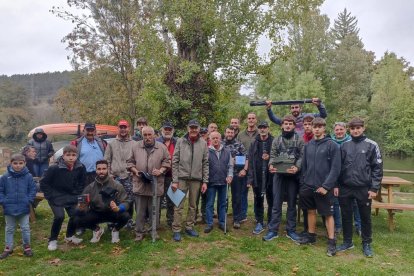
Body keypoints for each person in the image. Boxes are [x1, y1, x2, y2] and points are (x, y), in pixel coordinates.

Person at [337, 117, 383, 257]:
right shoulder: (344, 145)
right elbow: (338, 167)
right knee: (345, 215)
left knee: (365, 216)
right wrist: (336, 185)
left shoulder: (372, 145)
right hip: (345, 187)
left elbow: (378, 168)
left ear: (363, 128)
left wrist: (374, 188)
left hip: (364, 188)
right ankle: (347, 241)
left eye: (358, 128)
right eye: (353, 128)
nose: (355, 131)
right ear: (349, 130)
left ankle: (366, 243)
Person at [297, 118, 341, 257]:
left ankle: (331, 241)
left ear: (324, 128)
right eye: (313, 126)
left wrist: (326, 186)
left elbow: (335, 169)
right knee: (310, 211)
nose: (316, 129)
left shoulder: (332, 145)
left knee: (328, 214)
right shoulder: (308, 145)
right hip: (308, 186)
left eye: (319, 126)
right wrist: (303, 183)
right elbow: (304, 166)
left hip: (324, 188)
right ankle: (311, 235)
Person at [263, 115, 303, 242]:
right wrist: (270, 166)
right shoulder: (276, 140)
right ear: (282, 125)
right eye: (285, 123)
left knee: (292, 203)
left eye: (290, 124)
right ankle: (273, 230)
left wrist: (297, 167)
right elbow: (273, 155)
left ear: (294, 126)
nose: (288, 126)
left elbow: (302, 156)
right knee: (276, 203)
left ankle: (291, 230)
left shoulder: (299, 140)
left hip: (292, 176)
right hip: (278, 175)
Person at [127, 126, 171, 241]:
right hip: (140, 183)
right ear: (142, 136)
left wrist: (160, 171)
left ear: (154, 135)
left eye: (149, 135)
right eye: (145, 135)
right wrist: (136, 171)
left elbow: (167, 161)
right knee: (140, 211)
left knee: (154, 210)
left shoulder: (161, 148)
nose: (147, 137)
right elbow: (129, 162)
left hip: (155, 184)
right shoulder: (135, 147)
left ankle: (153, 231)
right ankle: (139, 232)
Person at [74, 160, 132, 244]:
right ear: (96, 170)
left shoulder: (116, 185)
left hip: (113, 212)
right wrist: (82, 207)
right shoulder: (90, 187)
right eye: (99, 169)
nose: (101, 171)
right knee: (77, 217)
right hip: (97, 213)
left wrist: (118, 208)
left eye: (104, 169)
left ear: (108, 169)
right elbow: (83, 204)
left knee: (126, 215)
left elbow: (126, 201)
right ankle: (97, 230)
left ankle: (115, 230)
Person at [40, 145, 86, 251]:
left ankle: (69, 236)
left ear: (77, 156)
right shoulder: (54, 167)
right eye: (68, 155)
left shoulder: (81, 167)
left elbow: (82, 182)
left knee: (76, 214)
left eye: (73, 155)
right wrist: (50, 196)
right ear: (63, 155)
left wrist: (77, 193)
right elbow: (44, 182)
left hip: (71, 195)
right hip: (56, 196)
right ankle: (53, 240)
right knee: (59, 217)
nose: (71, 157)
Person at [171, 119, 209, 242]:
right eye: (191, 127)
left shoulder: (203, 143)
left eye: (195, 127)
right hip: (181, 178)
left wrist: (205, 181)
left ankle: (189, 226)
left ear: (199, 129)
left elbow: (205, 163)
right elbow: (175, 161)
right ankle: (176, 229)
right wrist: (175, 180)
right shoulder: (180, 141)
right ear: (188, 128)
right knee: (178, 205)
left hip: (196, 180)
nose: (193, 129)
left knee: (193, 206)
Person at [0, 154, 37, 259]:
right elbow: (0, 190)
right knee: (9, 228)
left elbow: (32, 189)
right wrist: (3, 201)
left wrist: (28, 200)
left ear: (25, 163)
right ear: (11, 163)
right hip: (9, 207)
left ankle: (27, 247)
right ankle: (8, 248)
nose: (18, 165)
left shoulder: (28, 176)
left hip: (23, 207)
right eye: (15, 163)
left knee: (25, 227)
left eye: (21, 163)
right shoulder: (5, 177)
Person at [104, 119, 137, 227]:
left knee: (129, 200)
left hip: (129, 177)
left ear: (129, 129)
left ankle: (128, 220)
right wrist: (109, 175)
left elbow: (137, 160)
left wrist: (134, 172)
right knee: (114, 200)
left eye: (125, 127)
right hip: (115, 177)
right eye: (121, 127)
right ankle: (113, 221)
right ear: (118, 129)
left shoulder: (134, 144)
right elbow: (106, 160)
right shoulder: (111, 144)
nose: (123, 129)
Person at [331, 122, 361, 236]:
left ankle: (359, 226)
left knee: (355, 203)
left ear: (345, 130)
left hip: (351, 178)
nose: (339, 132)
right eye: (337, 130)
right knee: (336, 203)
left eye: (341, 129)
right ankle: (338, 226)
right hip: (337, 178)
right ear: (334, 131)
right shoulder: (331, 142)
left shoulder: (351, 142)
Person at [247, 121, 274, 235]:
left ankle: (271, 221)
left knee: (271, 200)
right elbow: (250, 160)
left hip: (270, 176)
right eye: (261, 127)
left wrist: (269, 158)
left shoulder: (274, 141)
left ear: (268, 128)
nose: (263, 129)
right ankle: (259, 221)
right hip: (258, 176)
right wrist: (251, 178)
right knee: (258, 199)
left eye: (265, 127)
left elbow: (278, 156)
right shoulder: (254, 142)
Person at [204, 131, 233, 233]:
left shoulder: (227, 151)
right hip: (211, 181)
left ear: (220, 139)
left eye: (217, 138)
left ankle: (222, 222)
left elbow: (230, 166)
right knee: (210, 204)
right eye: (213, 138)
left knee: (222, 204)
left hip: (223, 181)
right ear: (210, 140)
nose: (215, 140)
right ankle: (209, 223)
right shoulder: (207, 151)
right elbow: (205, 167)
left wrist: (230, 176)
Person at [222, 126, 248, 229]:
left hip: (237, 174)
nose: (229, 134)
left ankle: (236, 219)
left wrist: (244, 170)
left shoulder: (239, 144)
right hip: (223, 175)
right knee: (223, 197)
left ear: (234, 133)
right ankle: (222, 218)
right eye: (228, 132)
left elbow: (247, 157)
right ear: (225, 133)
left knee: (236, 197)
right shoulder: (220, 144)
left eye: (231, 132)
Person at [238, 112, 259, 222]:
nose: (251, 120)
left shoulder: (260, 133)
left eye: (253, 118)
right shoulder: (240, 135)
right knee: (243, 192)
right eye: (249, 118)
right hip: (244, 167)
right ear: (247, 120)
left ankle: (257, 216)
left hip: (257, 168)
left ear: (256, 120)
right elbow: (237, 151)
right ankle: (242, 215)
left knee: (257, 192)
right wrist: (241, 168)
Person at [155, 121, 177, 227]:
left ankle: (170, 220)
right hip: (159, 175)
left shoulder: (177, 142)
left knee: (171, 199)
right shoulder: (156, 142)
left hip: (172, 175)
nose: (167, 131)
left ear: (173, 131)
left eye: (169, 129)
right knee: (158, 199)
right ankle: (156, 221)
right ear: (162, 130)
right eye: (165, 129)